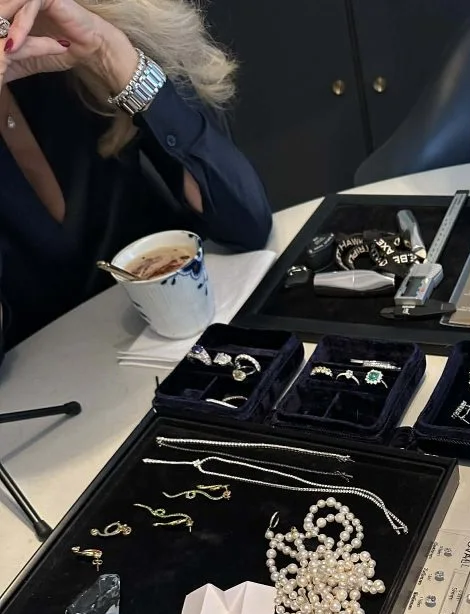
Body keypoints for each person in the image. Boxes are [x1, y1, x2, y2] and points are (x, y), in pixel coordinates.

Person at [0, 0, 272, 359]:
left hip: (189, 342)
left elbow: (246, 222)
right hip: (49, 382)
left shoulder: (68, 26)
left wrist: (109, 52)